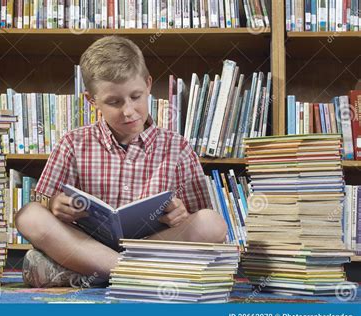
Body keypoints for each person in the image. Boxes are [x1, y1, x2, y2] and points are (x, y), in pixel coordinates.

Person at [15, 36, 227, 288]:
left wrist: (181, 215)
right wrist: (55, 206)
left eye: (136, 96)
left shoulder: (177, 147)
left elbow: (198, 216)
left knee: (212, 223)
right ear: (91, 100)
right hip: (87, 246)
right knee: (29, 215)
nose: (129, 111)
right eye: (114, 102)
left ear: (148, 85)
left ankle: (102, 274)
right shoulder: (73, 143)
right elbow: (47, 209)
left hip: (151, 247)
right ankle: (134, 274)